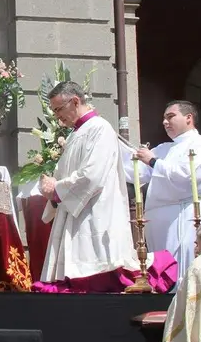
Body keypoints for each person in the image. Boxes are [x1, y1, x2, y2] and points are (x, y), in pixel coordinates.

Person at [37, 81, 139, 283]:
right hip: (75, 210)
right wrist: (51, 186)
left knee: (93, 277)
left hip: (94, 212)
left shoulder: (100, 128)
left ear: (75, 101)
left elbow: (92, 175)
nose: (57, 116)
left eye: (58, 109)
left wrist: (56, 189)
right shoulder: (76, 133)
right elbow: (65, 173)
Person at [129, 100, 201, 281]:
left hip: (186, 217)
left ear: (189, 118)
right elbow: (134, 171)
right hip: (160, 224)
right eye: (164, 119)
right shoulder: (165, 149)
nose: (165, 122)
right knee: (161, 273)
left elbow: (188, 178)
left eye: (170, 116)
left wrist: (153, 161)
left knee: (183, 272)